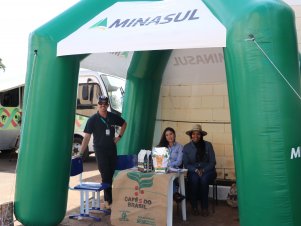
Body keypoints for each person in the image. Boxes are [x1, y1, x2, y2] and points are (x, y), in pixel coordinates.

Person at [79, 95, 127, 209]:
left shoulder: (112, 117)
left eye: (105, 104)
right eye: (100, 104)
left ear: (107, 105)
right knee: (105, 175)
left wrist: (119, 136)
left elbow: (124, 123)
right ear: (98, 105)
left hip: (111, 149)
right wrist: (81, 153)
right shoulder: (92, 120)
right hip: (100, 151)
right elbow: (86, 137)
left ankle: (108, 200)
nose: (102, 106)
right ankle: (108, 202)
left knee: (110, 175)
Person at [182, 124, 216, 217]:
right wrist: (196, 170)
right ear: (191, 135)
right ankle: (194, 207)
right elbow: (186, 164)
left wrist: (204, 170)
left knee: (204, 180)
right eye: (193, 134)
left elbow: (212, 162)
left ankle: (205, 207)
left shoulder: (208, 145)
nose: (195, 136)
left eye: (198, 134)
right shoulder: (186, 147)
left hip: (208, 170)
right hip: (193, 170)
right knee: (194, 180)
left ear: (201, 135)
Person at [157, 127, 184, 202]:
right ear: (165, 137)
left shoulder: (180, 147)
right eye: (167, 135)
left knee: (168, 177)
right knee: (160, 177)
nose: (169, 136)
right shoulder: (162, 147)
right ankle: (175, 194)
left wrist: (168, 165)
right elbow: (158, 160)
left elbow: (179, 162)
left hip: (174, 171)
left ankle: (174, 194)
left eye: (171, 134)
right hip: (163, 171)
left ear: (174, 135)